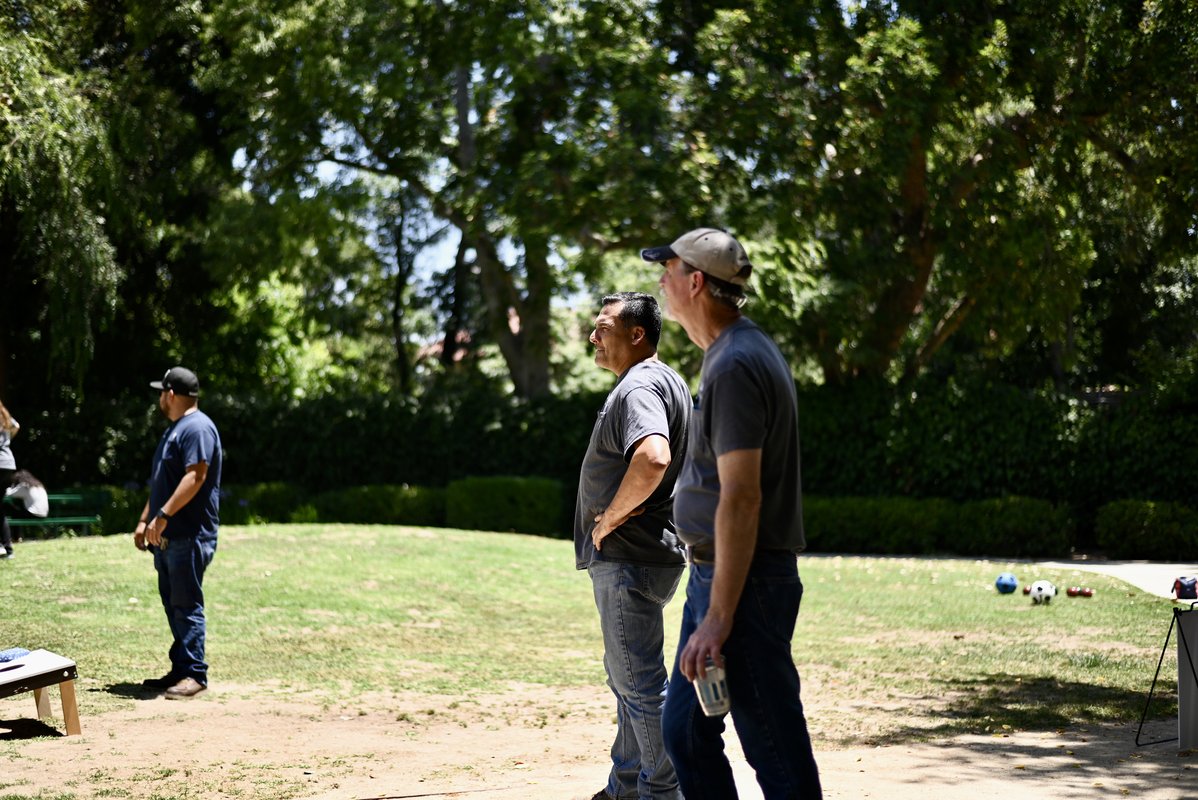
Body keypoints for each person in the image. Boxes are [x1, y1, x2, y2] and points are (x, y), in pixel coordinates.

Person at [643, 228, 823, 799]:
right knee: (687, 733)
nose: (661, 281)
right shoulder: (733, 352)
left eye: (668, 270)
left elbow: (741, 496)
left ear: (695, 282)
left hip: (742, 585)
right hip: (719, 579)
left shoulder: (737, 364)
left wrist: (720, 618)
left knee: (773, 746)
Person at [575, 292, 692, 800]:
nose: (593, 336)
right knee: (629, 683)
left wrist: (609, 520)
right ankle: (624, 788)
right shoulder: (668, 381)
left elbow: (653, 457)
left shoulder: (640, 385)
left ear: (636, 335)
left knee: (642, 687)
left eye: (603, 328)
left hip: (629, 556)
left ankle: (665, 793)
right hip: (648, 554)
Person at [133, 367, 222, 700]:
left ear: (170, 394)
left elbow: (195, 477)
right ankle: (181, 668)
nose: (159, 398)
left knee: (186, 604)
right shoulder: (177, 429)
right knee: (174, 603)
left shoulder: (197, 428)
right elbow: (162, 482)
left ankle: (194, 674)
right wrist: (146, 521)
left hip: (189, 534)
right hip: (169, 535)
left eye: (161, 392)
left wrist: (164, 516)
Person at [0, 399, 21, 559]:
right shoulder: (4, 416)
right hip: (9, 464)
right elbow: (17, 426)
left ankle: (4, 547)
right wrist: (6, 443)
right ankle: (7, 548)